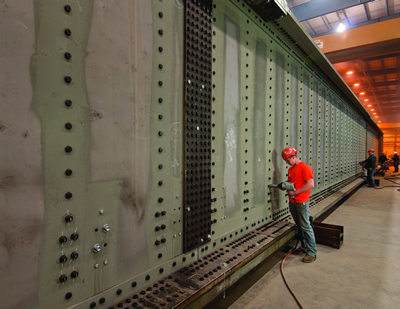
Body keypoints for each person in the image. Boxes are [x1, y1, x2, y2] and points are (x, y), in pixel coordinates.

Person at [280, 147, 317, 263]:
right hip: (293, 201)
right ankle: (304, 247)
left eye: (287, 160)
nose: (286, 163)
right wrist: (285, 186)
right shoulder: (291, 170)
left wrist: (295, 192)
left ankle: (312, 252)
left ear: (293, 157)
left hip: (302, 201)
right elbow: (291, 182)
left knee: (305, 226)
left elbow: (310, 184)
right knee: (300, 226)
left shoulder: (305, 168)